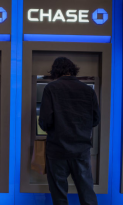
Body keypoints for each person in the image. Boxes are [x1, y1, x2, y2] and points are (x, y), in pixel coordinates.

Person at [39, 57, 100, 205]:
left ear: (55, 71)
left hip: (57, 150)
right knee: (87, 193)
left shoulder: (50, 89)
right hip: (81, 150)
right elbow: (95, 120)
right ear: (73, 70)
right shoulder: (88, 90)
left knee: (59, 195)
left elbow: (45, 121)